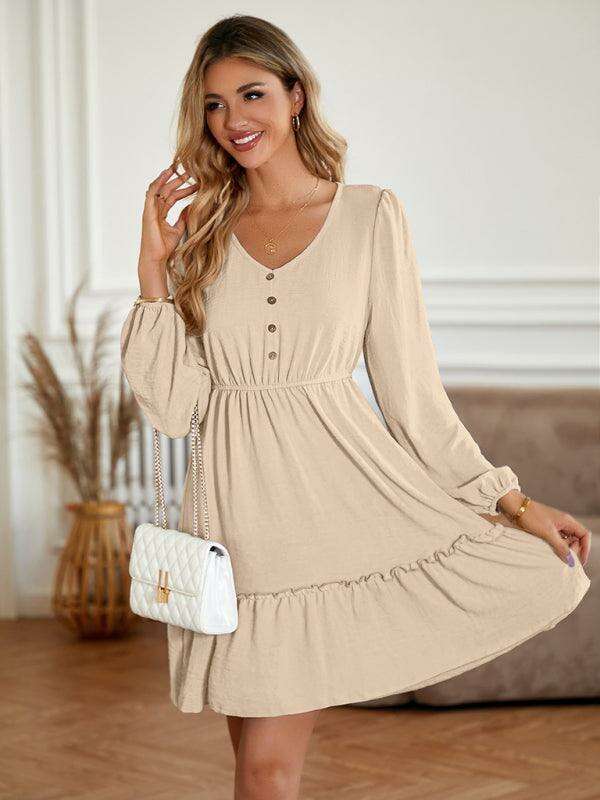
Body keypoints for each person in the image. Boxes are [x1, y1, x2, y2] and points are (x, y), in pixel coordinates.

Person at [120, 14, 592, 800]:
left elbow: (414, 399)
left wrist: (512, 502)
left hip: (334, 518)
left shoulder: (370, 216)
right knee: (257, 769)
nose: (233, 119)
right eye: (213, 104)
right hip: (237, 529)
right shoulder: (200, 229)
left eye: (252, 94)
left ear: (296, 96)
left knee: (266, 770)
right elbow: (172, 408)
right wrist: (153, 268)